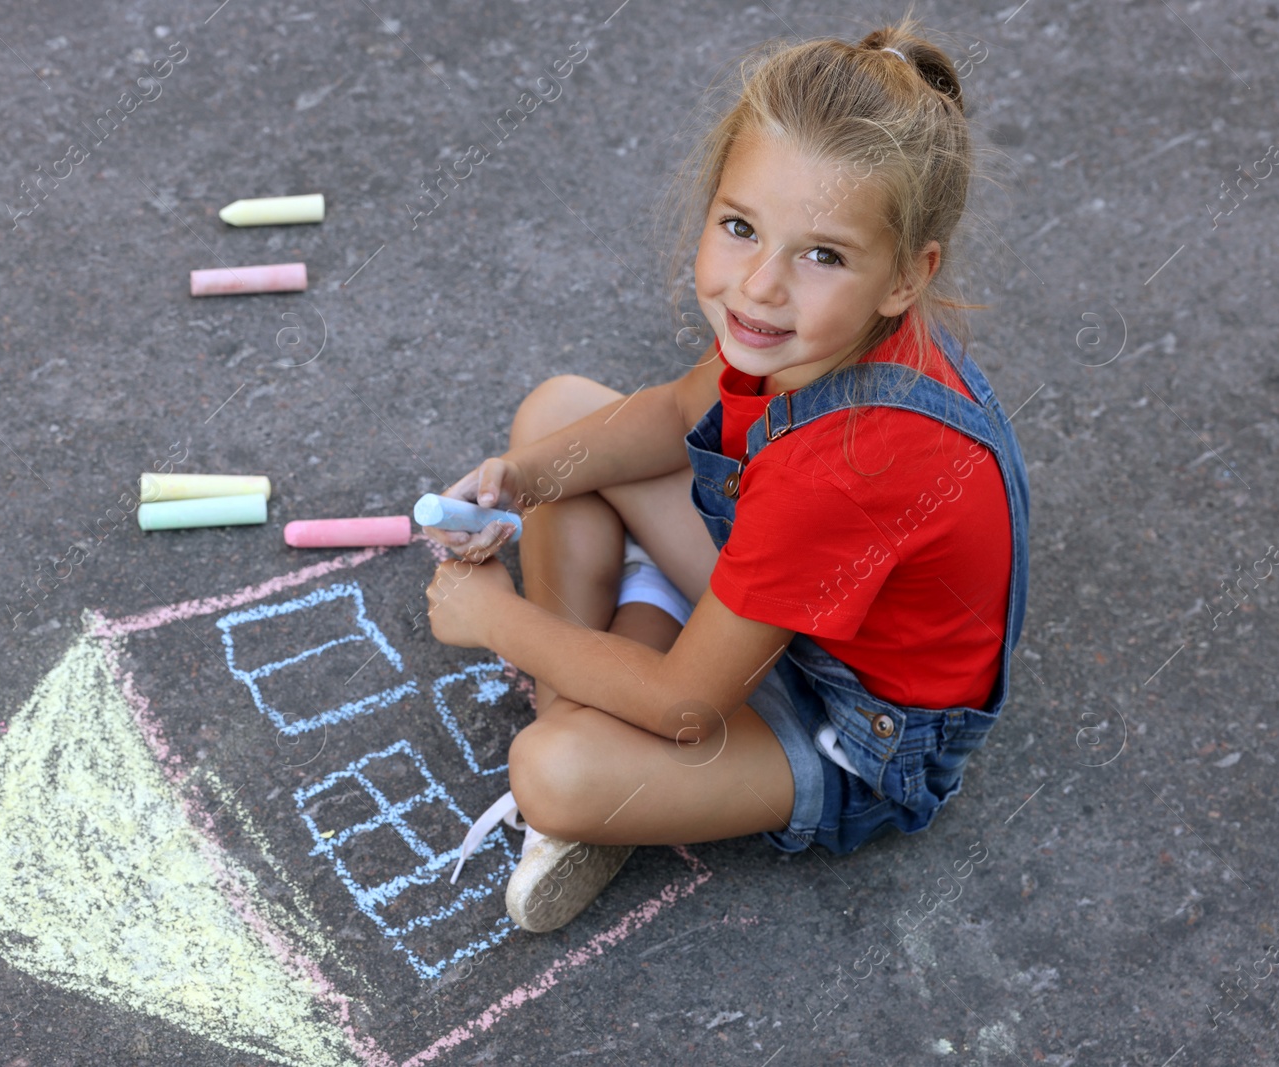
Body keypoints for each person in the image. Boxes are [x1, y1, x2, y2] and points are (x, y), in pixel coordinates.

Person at [425, 19, 1029, 934]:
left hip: (855, 725)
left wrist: (495, 619)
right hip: (795, 600)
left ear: (908, 275)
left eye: (822, 254)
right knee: (558, 421)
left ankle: (600, 747)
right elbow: (675, 414)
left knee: (553, 768)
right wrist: (520, 480)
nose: (758, 287)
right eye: (741, 228)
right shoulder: (811, 333)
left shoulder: (848, 467)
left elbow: (685, 705)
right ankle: (623, 680)